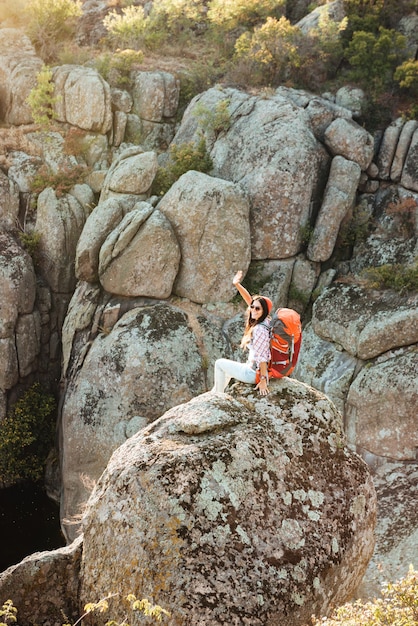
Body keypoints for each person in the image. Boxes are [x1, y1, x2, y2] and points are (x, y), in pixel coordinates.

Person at [212, 270, 273, 396]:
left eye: (257, 308)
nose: (253, 310)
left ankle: (217, 397)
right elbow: (250, 300)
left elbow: (262, 357)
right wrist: (237, 284)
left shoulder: (260, 330)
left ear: (264, 311)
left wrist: (263, 380)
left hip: (252, 373)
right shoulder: (266, 321)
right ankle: (214, 394)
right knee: (227, 371)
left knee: (219, 364)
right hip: (252, 369)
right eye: (252, 307)